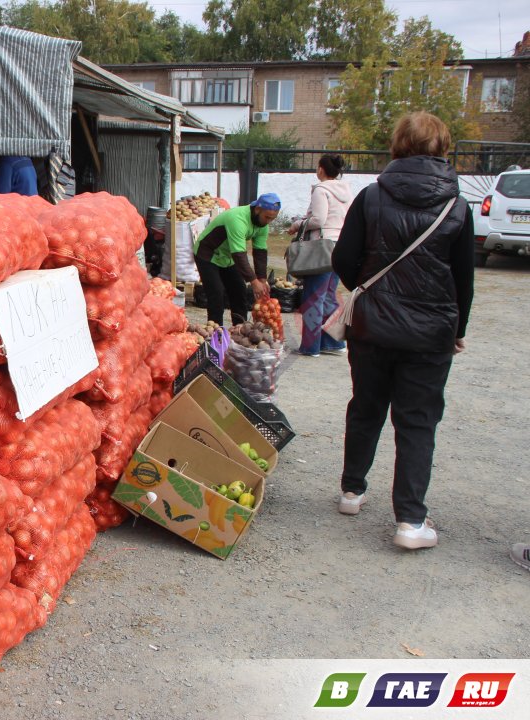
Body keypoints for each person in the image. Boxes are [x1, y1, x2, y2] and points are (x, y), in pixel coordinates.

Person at [331, 111, 474, 550]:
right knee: (417, 422)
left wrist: (368, 291)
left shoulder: (372, 197)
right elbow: (463, 277)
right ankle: (410, 522)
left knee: (366, 406)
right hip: (430, 335)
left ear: (397, 146)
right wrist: (457, 328)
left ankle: (352, 491)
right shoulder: (458, 205)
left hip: (372, 328)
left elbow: (342, 257)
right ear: (442, 148)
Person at [288, 154, 354, 356]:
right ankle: (332, 342)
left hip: (321, 247)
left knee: (313, 297)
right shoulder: (346, 191)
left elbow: (319, 219)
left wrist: (298, 224)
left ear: (321, 170)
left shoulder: (321, 190)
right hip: (339, 245)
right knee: (328, 296)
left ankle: (310, 346)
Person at [192, 193, 278, 326]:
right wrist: (254, 282)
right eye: (267, 217)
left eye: (272, 219)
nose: (268, 222)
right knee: (217, 293)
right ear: (257, 210)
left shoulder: (263, 225)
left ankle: (241, 330)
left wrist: (262, 279)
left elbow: (260, 252)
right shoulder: (237, 218)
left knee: (239, 290)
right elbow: (239, 254)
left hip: (228, 257)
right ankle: (216, 333)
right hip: (207, 254)